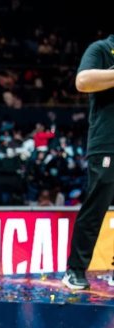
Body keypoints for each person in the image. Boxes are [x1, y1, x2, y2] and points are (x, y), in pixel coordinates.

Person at [62, 34, 114, 290]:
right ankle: (75, 270)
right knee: (96, 207)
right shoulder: (102, 49)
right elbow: (82, 81)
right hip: (107, 142)